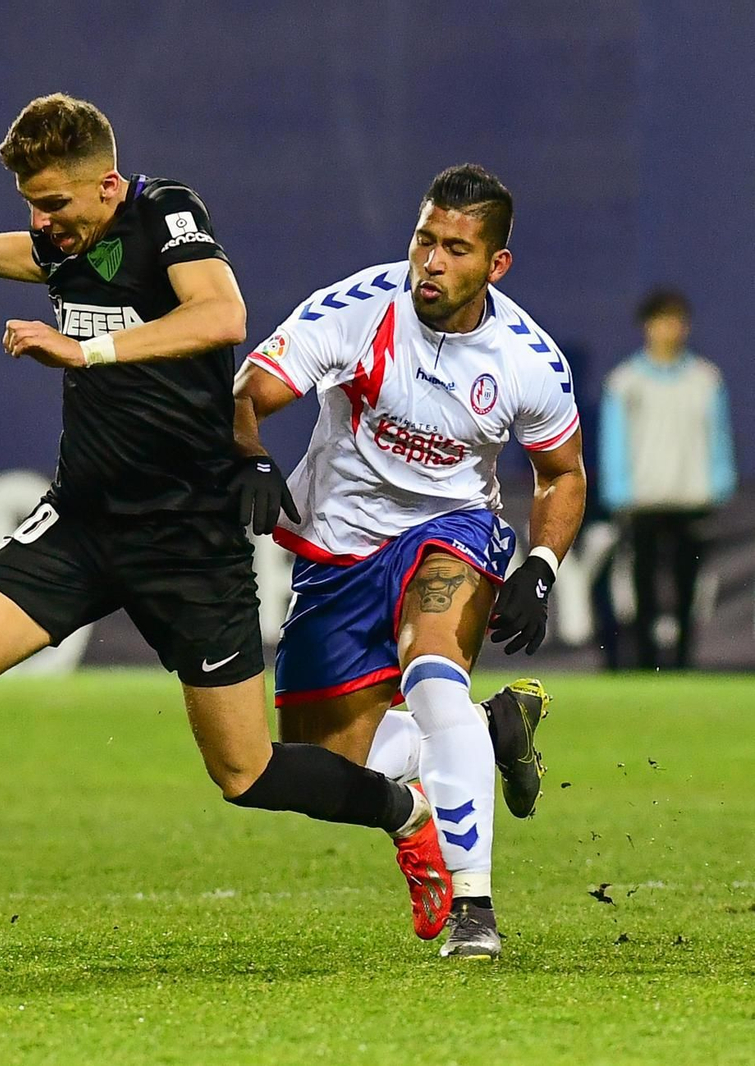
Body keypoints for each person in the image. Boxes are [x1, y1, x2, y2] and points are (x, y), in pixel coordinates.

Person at [0, 93, 454, 956]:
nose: (42, 224)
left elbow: (221, 315)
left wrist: (88, 351)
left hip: (189, 539)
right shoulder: (68, 237)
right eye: (31, 207)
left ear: (108, 185)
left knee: (245, 772)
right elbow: (32, 255)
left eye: (54, 206)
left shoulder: (165, 211)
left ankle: (405, 811)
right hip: (82, 521)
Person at [233, 164, 588, 958]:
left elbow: (562, 473)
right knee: (318, 769)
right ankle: (493, 726)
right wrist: (251, 458)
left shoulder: (528, 359)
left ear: (495, 265)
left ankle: (476, 911)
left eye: (456, 248)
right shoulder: (357, 308)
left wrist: (539, 565)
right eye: (425, 239)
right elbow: (249, 391)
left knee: (433, 679)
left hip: (451, 531)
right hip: (338, 544)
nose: (431, 261)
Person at [599, 289, 736, 670]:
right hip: (642, 502)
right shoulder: (625, 382)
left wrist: (719, 483)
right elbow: (614, 441)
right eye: (661, 321)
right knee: (641, 588)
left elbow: (718, 436)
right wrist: (619, 491)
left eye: (676, 321)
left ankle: (682, 662)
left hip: (692, 501)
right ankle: (644, 662)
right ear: (647, 326)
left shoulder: (705, 379)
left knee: (688, 587)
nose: (668, 330)